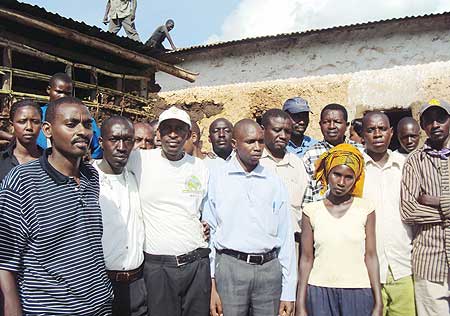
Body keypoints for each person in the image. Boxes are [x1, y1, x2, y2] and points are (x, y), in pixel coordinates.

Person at [0, 97, 113, 315]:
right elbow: (4, 261)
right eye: (71, 124)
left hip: (99, 307)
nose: (83, 131)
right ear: (48, 130)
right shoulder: (22, 181)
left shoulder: (91, 176)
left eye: (88, 125)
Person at [205, 119, 297, 316]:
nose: (257, 148)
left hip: (269, 272)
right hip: (230, 269)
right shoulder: (217, 179)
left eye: (261, 141)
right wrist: (212, 284)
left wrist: (289, 291)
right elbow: (210, 233)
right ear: (234, 144)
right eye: (250, 142)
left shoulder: (273, 182)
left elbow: (285, 235)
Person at [127, 106, 211, 316]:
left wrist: (206, 223)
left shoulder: (200, 167)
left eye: (179, 129)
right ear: (158, 133)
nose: (173, 134)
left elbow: (204, 209)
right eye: (167, 129)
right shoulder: (139, 161)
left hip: (196, 263)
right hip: (158, 266)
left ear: (188, 134)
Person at [296, 143, 382, 316]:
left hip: (358, 291)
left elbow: (371, 256)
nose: (342, 182)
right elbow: (306, 259)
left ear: (356, 178)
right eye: (337, 174)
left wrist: (378, 302)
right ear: (328, 173)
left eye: (349, 177)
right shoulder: (311, 211)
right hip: (319, 291)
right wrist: (300, 304)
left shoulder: (366, 209)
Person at [362, 111, 416, 316]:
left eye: (382, 129)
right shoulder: (355, 170)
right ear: (363, 134)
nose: (377, 134)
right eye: (371, 130)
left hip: (403, 267)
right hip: (366, 272)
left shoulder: (405, 166)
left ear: (391, 133)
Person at [401, 99, 450, 316]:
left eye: (441, 118)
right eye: (429, 121)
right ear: (423, 126)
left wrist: (438, 201)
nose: (435, 125)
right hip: (430, 262)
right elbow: (408, 209)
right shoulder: (414, 161)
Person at [95, 116, 146, 316]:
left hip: (137, 285)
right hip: (101, 285)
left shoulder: (136, 178)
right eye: (114, 139)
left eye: (128, 140)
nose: (122, 146)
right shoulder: (87, 180)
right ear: (101, 142)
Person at [259, 109, 309, 256]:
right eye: (276, 130)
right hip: (261, 244)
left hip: (293, 243)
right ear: (263, 130)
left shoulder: (297, 164)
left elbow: (304, 204)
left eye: (287, 131)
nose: (282, 136)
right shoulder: (254, 162)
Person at [303, 103, 364, 203]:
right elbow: (308, 192)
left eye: (337, 122)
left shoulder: (360, 151)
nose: (331, 126)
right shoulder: (310, 155)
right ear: (320, 125)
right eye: (326, 122)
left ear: (347, 125)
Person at [37, 73, 103, 159]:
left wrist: (86, 164)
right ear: (49, 90)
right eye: (59, 92)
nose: (63, 96)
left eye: (67, 93)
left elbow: (97, 148)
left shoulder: (83, 116)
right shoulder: (37, 114)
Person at [0, 100, 42, 181]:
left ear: (41, 125)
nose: (29, 127)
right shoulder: (2, 161)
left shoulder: (50, 162)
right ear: (12, 125)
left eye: (35, 122)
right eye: (22, 122)